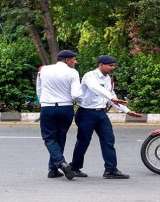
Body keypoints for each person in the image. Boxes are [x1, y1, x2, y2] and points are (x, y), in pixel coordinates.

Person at [70, 55, 141, 179]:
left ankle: (110, 170)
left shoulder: (108, 78)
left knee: (108, 140)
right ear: (101, 64)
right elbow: (95, 88)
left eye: (113, 65)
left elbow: (111, 97)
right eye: (110, 65)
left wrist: (127, 111)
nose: (112, 68)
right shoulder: (90, 76)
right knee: (83, 141)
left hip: (101, 114)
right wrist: (111, 97)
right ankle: (75, 168)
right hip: (86, 113)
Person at [36, 50, 82, 180]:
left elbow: (39, 88)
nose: (75, 62)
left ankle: (60, 163)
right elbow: (76, 95)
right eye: (73, 59)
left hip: (48, 107)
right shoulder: (73, 73)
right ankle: (53, 170)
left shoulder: (44, 70)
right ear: (66, 60)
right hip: (66, 108)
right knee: (60, 137)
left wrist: (43, 101)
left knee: (49, 138)